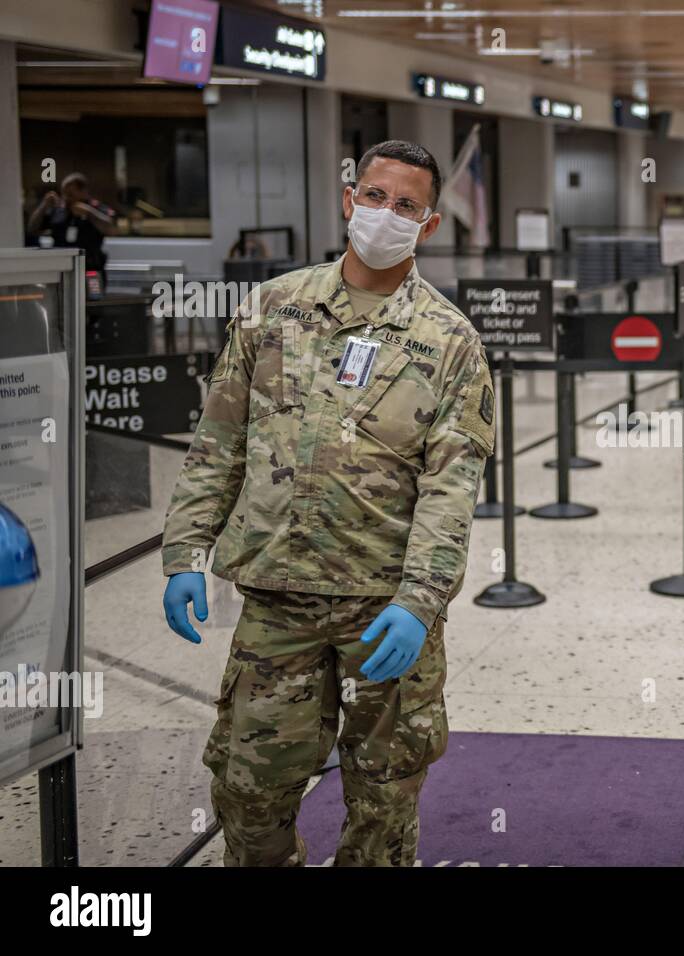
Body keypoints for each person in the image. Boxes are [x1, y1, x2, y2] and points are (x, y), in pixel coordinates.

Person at [159, 140, 496, 867]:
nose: (384, 214)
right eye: (373, 196)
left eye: (405, 205)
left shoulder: (451, 342)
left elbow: (452, 486)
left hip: (384, 609)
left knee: (384, 797)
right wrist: (186, 550)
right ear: (349, 200)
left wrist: (421, 599)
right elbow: (218, 441)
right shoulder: (273, 308)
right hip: (277, 601)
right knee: (250, 790)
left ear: (429, 225)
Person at [26, 172, 117, 276]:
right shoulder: (59, 211)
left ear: (83, 191)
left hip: (90, 269)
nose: (66, 198)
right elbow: (32, 229)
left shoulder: (96, 208)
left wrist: (89, 213)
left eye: (70, 194)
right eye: (64, 194)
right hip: (61, 270)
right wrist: (44, 206)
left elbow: (112, 230)